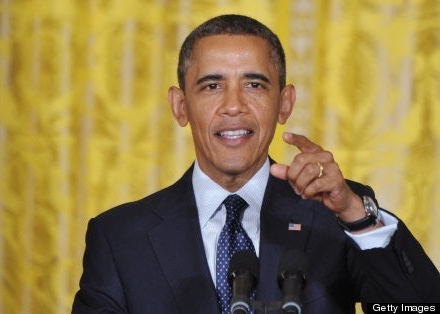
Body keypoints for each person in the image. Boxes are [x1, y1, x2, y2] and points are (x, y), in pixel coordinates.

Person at [72, 14, 440, 313]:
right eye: (212, 86)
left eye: (254, 85)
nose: (234, 106)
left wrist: (356, 216)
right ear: (180, 106)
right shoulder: (120, 237)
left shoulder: (335, 217)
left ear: (284, 103)